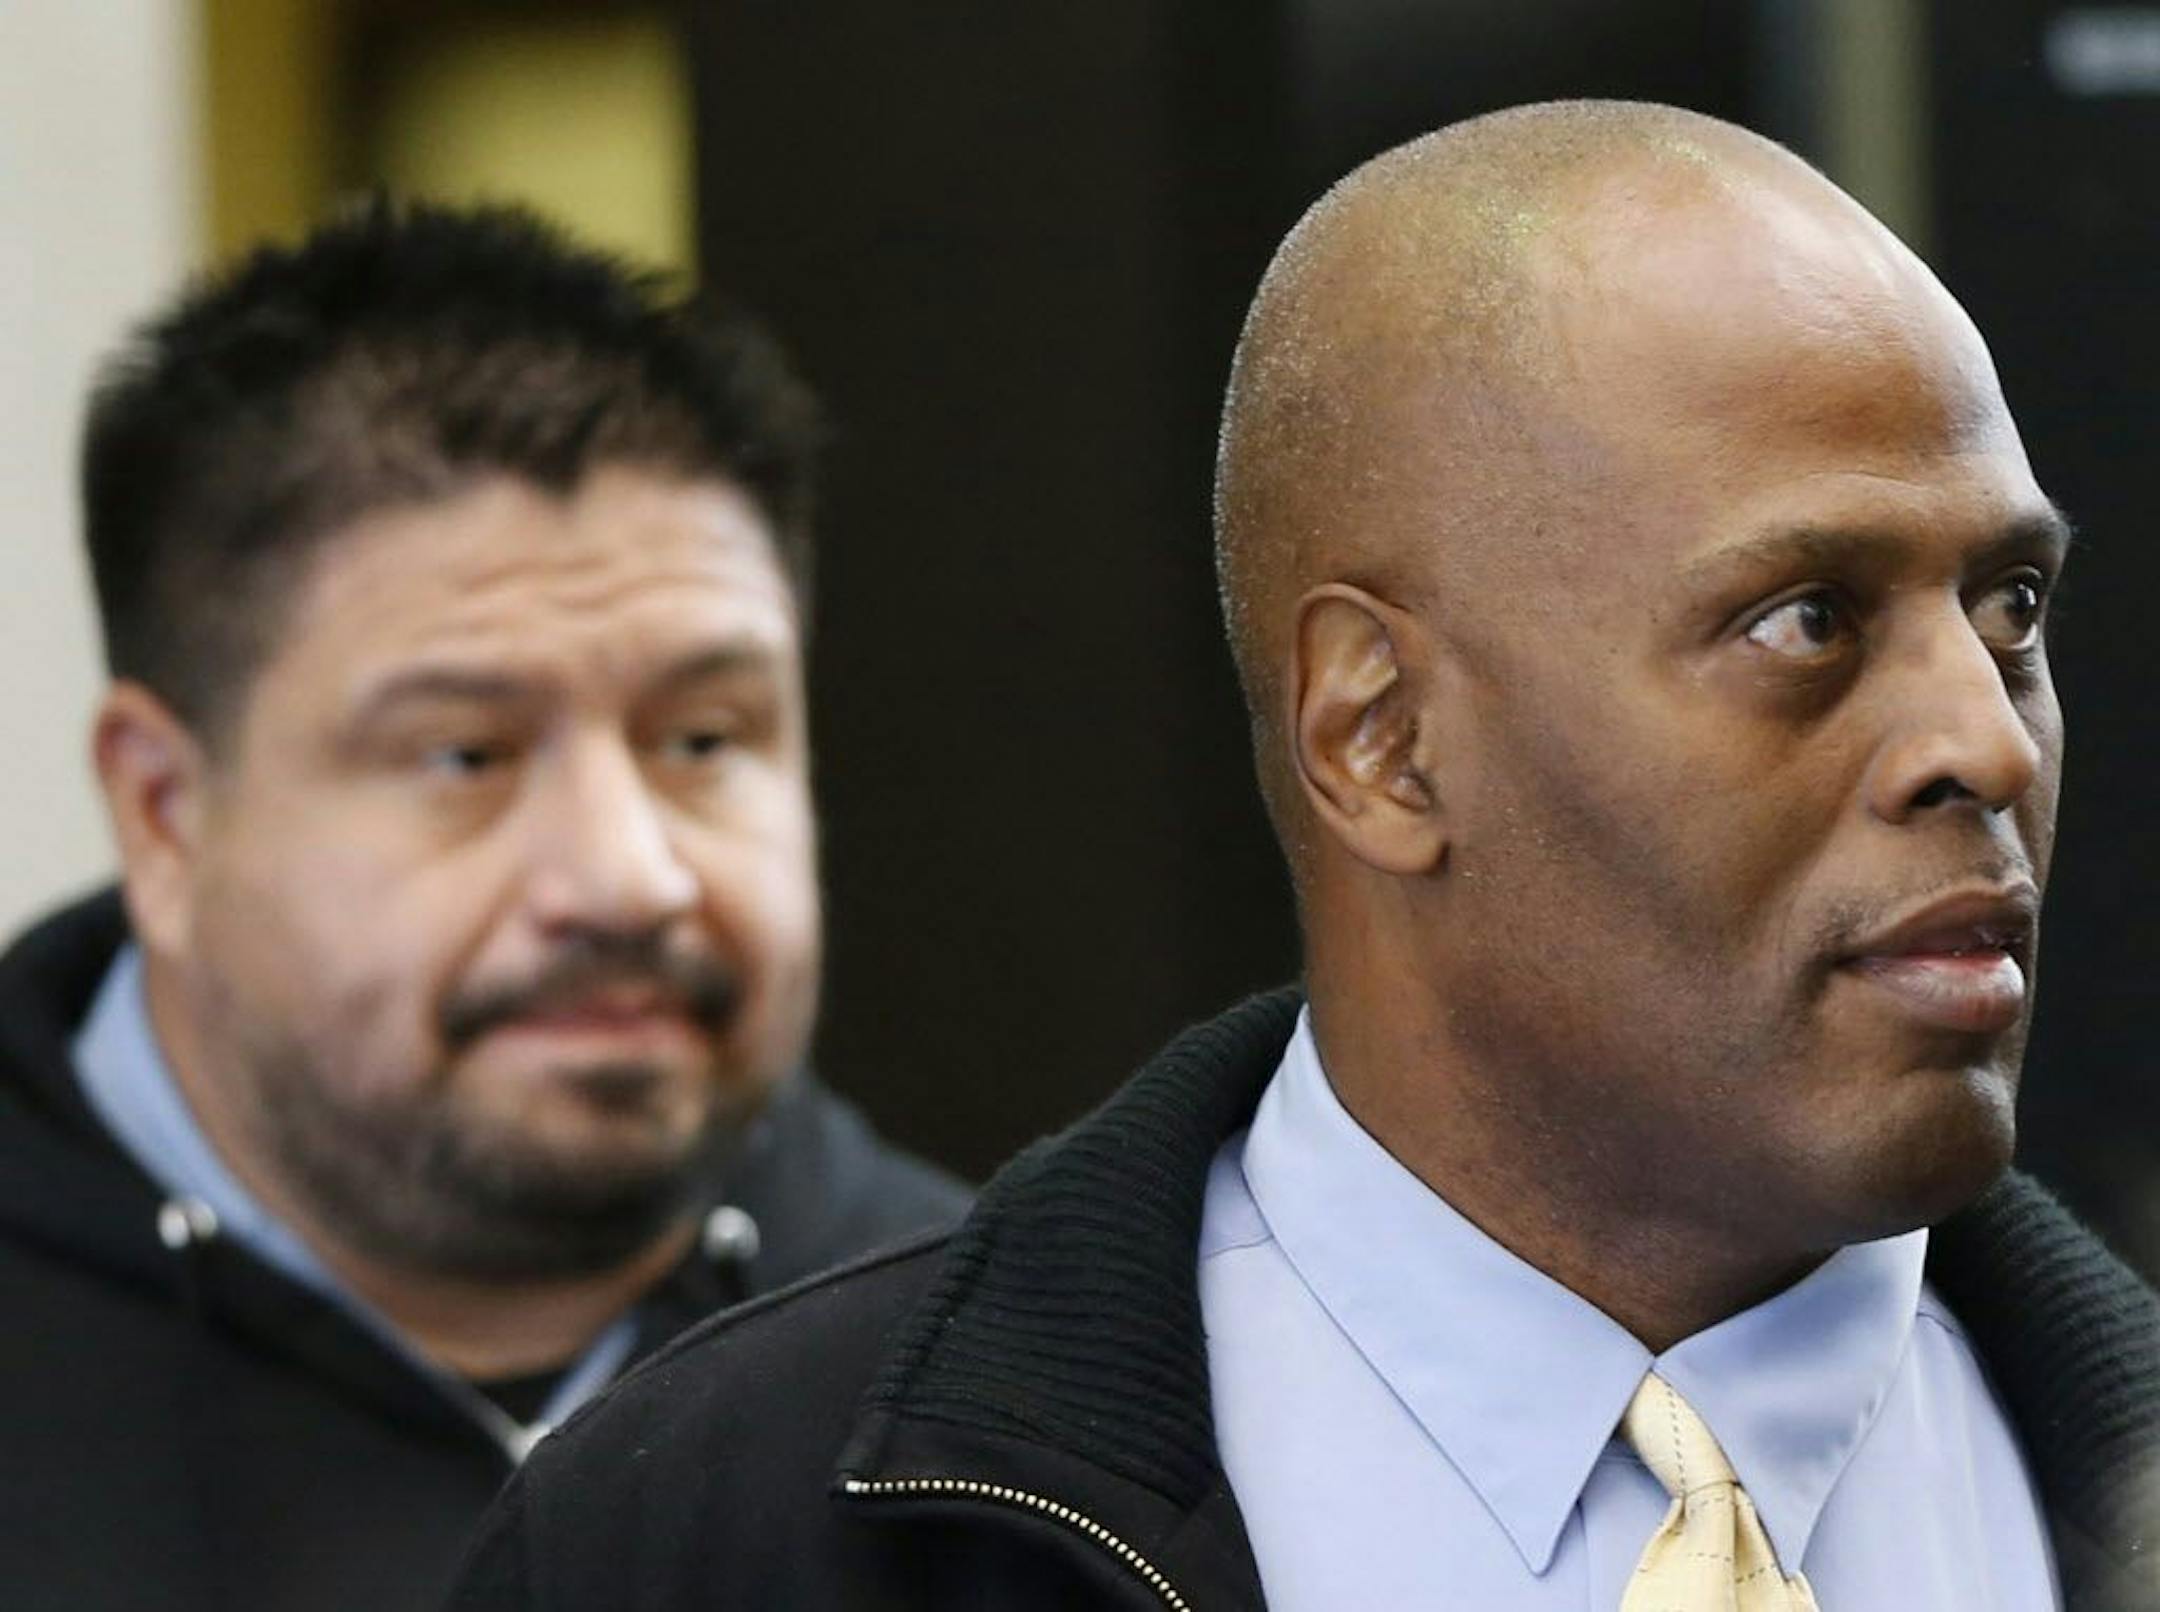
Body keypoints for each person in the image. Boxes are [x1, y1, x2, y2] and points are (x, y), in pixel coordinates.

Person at [446, 102, 2160, 1612]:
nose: (1988, 740)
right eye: (1809, 619)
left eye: (2010, 609)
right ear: (1380, 738)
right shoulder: (721, 1539)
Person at [0, 201, 967, 1612]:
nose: (630, 878)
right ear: (164, 810)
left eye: (703, 738)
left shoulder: (1011, 1383)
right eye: (466, 755)